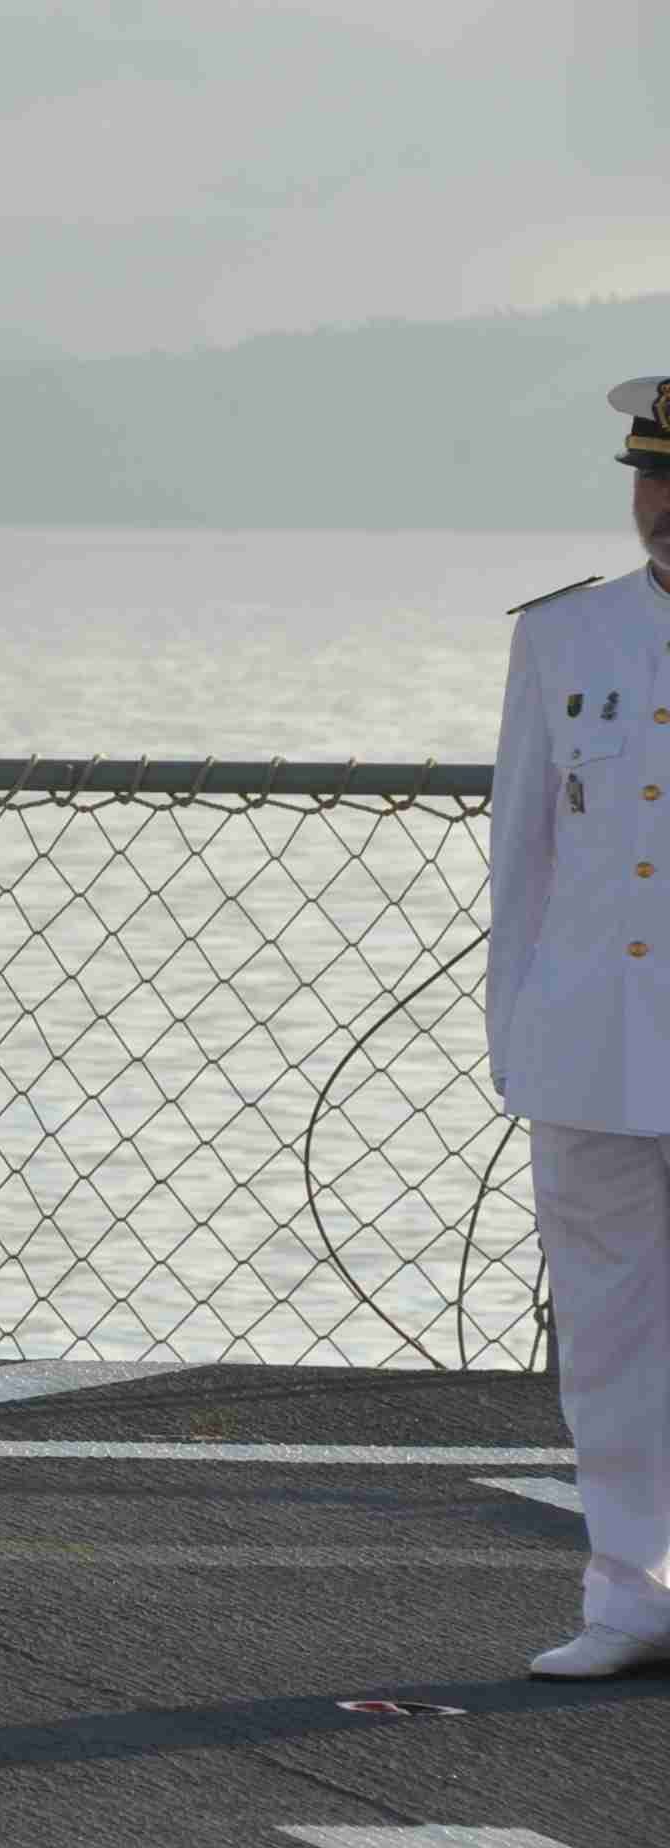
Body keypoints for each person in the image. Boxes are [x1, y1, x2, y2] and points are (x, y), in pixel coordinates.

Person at [482, 371, 670, 1681]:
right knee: (606, 1340)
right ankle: (630, 1593)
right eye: (652, 478)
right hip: (597, 1044)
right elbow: (526, 857)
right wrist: (521, 1038)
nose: (662, 505)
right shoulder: (566, 638)